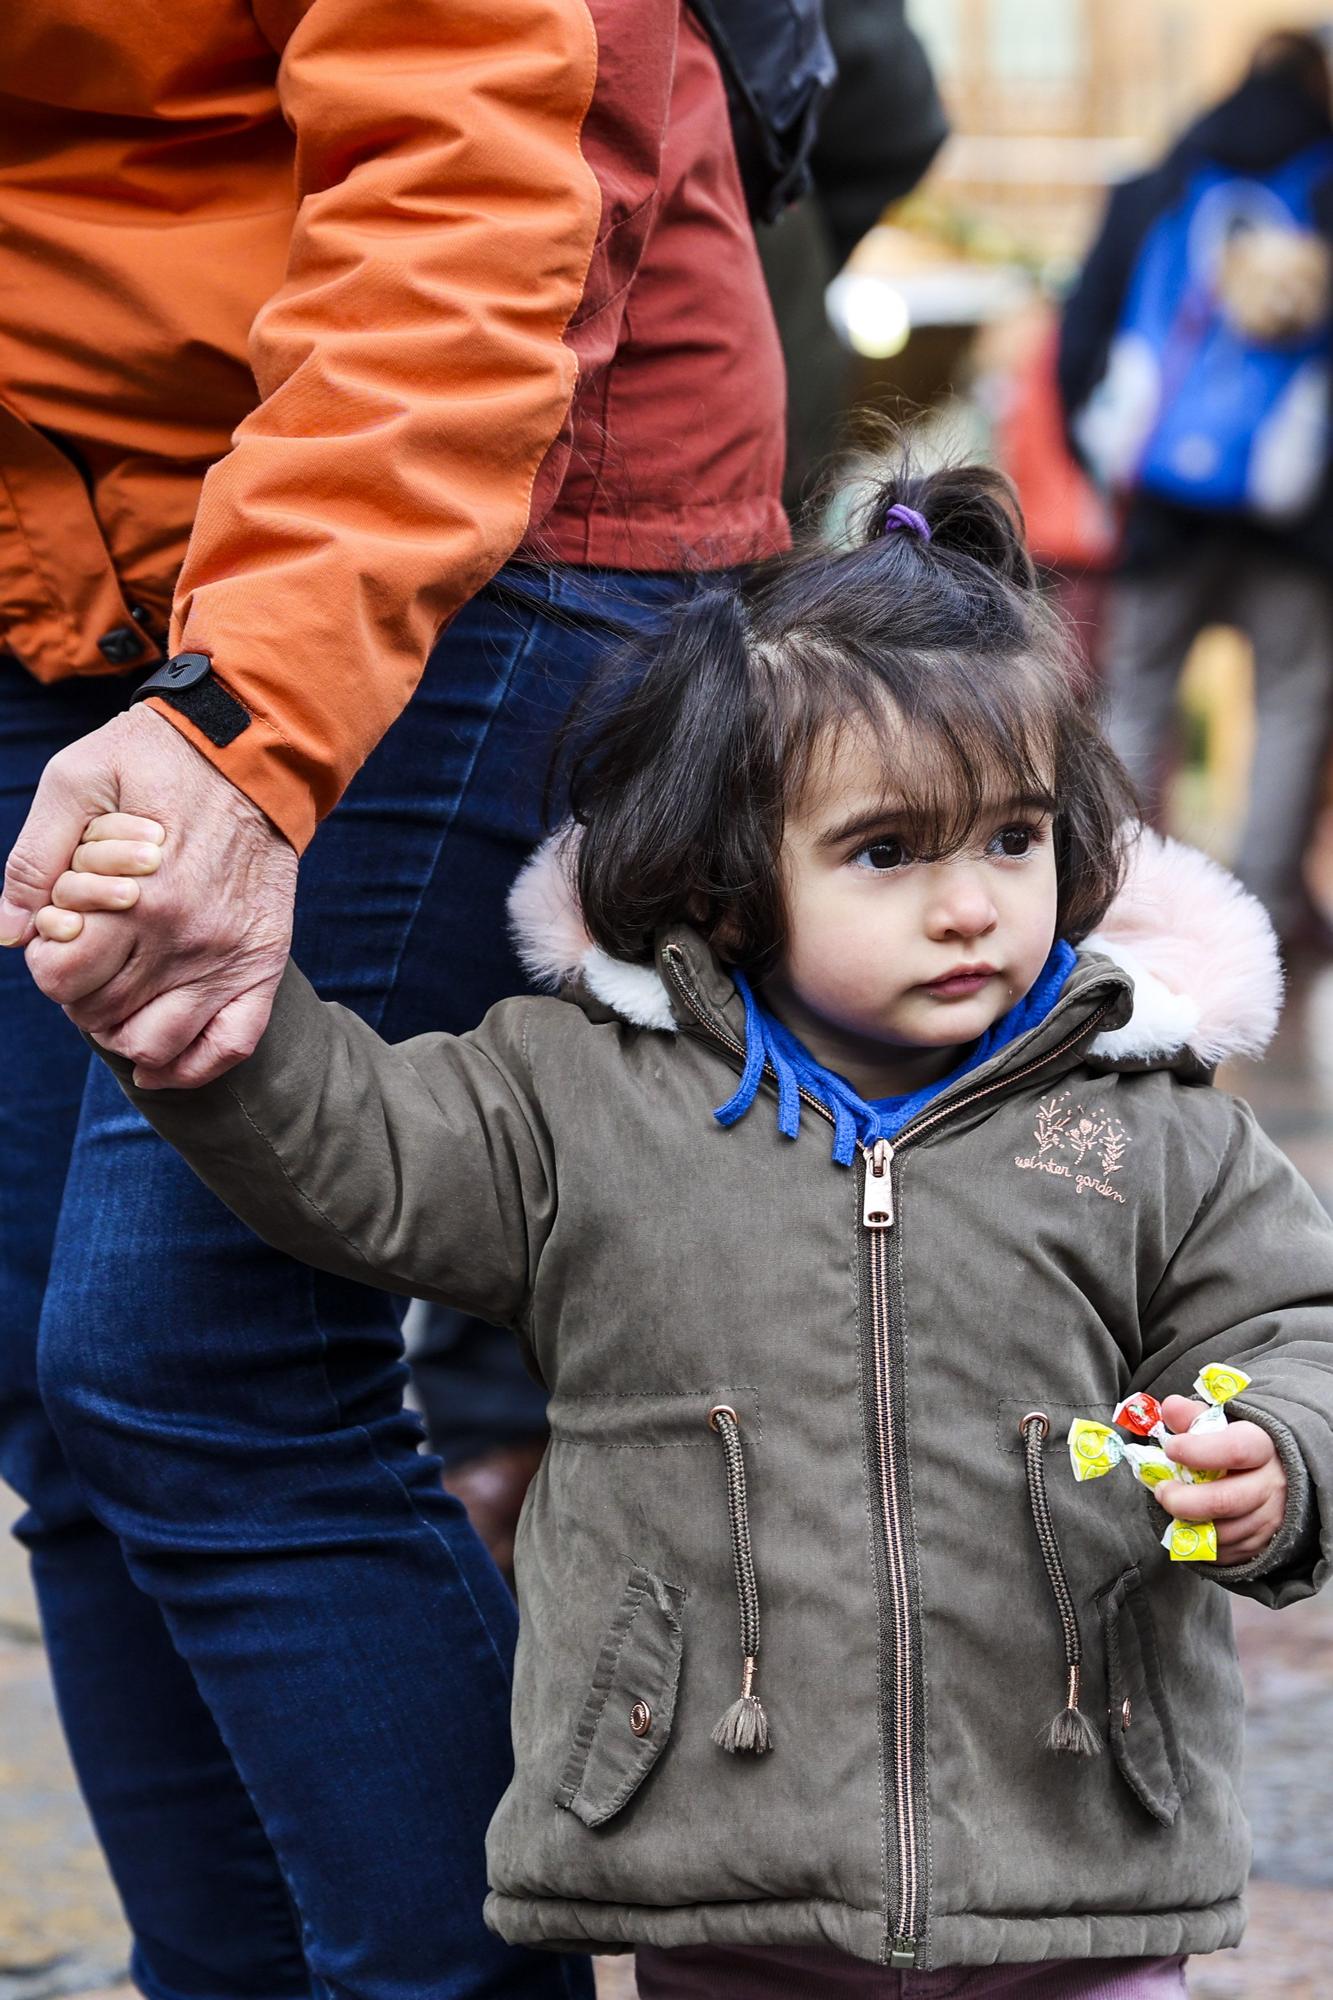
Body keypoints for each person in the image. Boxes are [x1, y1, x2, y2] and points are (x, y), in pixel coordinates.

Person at [43, 463, 1332, 1997]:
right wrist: (183, 1003)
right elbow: (365, 1154)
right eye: (886, 851)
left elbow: (1291, 1327)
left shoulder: (1149, 1120)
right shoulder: (587, 1096)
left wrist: (1276, 1458)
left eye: (1010, 839)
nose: (972, 906)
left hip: (1079, 1878)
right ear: (731, 878)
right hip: (723, 1884)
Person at [0, 0, 829, 1992]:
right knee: (67, 1400)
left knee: (197, 1356)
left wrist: (248, 715)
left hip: (490, 460)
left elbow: (467, 177)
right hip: (69, 530)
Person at [1058, 29, 1333, 947]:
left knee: (1136, 693)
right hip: (1302, 515)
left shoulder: (1166, 180)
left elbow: (1079, 334)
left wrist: (1107, 466)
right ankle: (1260, 916)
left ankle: (1118, 903)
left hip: (1162, 507)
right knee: (1291, 700)